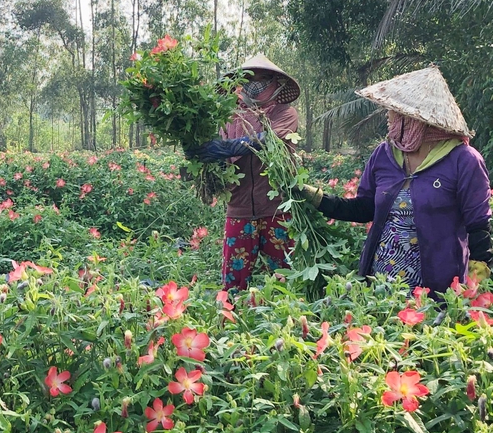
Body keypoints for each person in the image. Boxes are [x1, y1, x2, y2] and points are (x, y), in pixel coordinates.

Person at [300, 64, 492, 296]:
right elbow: (364, 208)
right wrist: (317, 198)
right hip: (380, 283)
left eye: (395, 113)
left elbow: (478, 227)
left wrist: (477, 285)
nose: (388, 118)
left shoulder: (463, 160)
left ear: (414, 121)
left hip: (437, 289)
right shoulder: (384, 154)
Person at [184, 55, 300, 291]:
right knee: (233, 285)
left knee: (285, 281)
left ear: (277, 83)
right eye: (248, 79)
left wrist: (227, 148)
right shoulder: (227, 118)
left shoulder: (285, 114)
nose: (255, 85)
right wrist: (199, 153)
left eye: (263, 79)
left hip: (276, 209)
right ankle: (230, 323)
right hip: (238, 209)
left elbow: (270, 141)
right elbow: (214, 156)